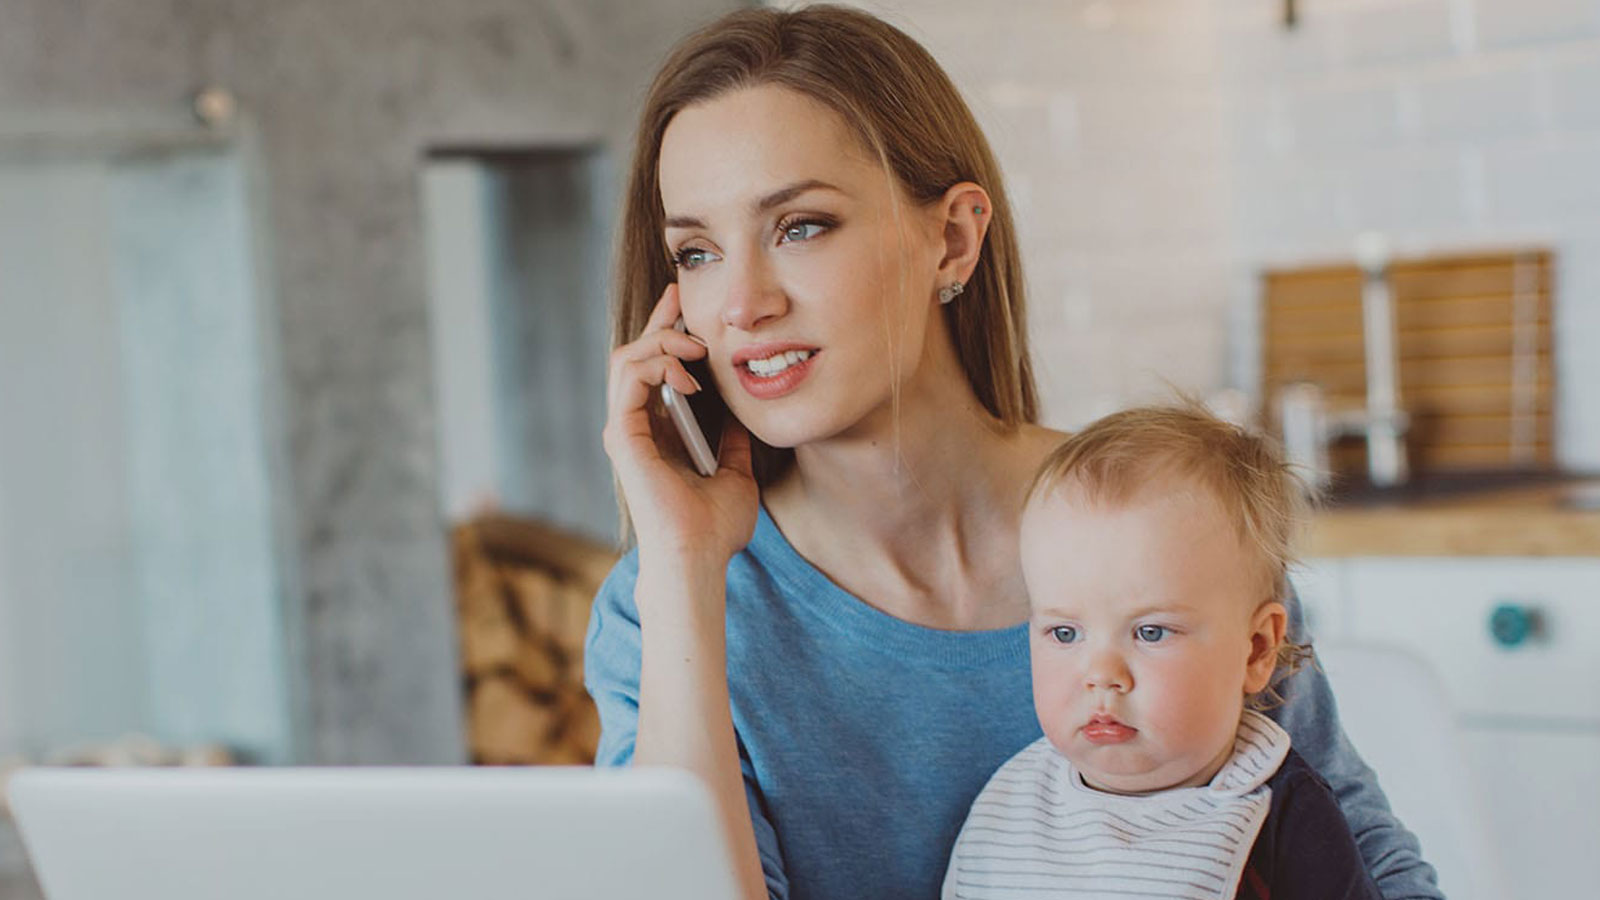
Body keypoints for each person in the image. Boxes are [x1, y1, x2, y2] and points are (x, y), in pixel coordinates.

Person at [584, 6, 1440, 900]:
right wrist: (682, 570)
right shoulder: (662, 611)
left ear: (952, 237)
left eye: (800, 226)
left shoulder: (1171, 526)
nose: (740, 305)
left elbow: (1370, 867)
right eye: (697, 251)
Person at [942, 405, 1381, 900]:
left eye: (1150, 632)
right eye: (1065, 634)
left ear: (1257, 650)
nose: (1102, 675)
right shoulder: (1012, 808)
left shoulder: (1282, 817)